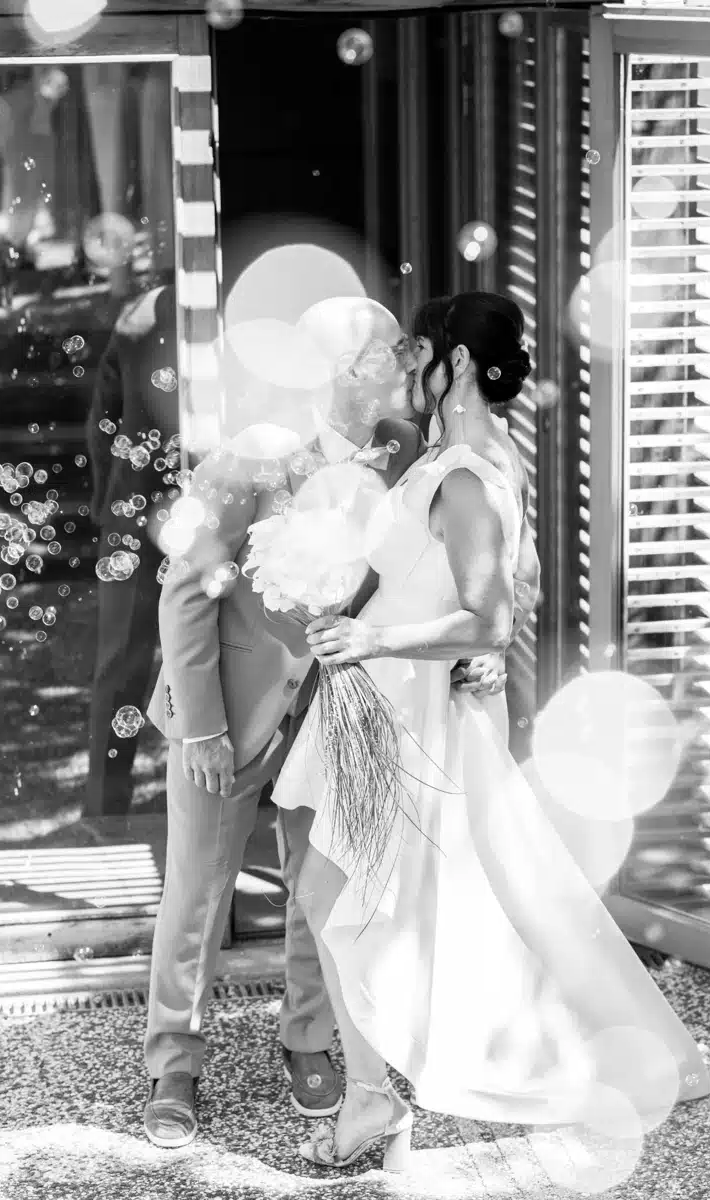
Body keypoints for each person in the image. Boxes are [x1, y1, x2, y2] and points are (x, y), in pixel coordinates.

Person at [272, 291, 710, 1170]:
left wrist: (374, 636)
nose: (407, 365)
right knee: (339, 896)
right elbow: (492, 584)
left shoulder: (467, 472)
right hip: (382, 697)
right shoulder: (444, 456)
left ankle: (383, 1093)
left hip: (404, 708)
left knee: (340, 896)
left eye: (420, 350)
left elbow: (487, 613)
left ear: (459, 365)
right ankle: (373, 1090)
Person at [140, 296, 501, 1149]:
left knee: (321, 888)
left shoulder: (410, 458)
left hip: (339, 713)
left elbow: (431, 581)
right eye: (386, 353)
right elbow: (184, 590)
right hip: (227, 711)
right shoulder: (252, 457)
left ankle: (310, 1039)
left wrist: (466, 655)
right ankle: (174, 1062)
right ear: (339, 370)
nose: (406, 362)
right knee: (198, 888)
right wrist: (199, 728)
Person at [84, 281, 178, 819]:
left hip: (133, 508)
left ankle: (104, 808)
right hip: (215, 512)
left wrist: (106, 500)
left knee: (119, 663)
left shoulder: (138, 314)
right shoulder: (240, 304)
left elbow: (104, 418)